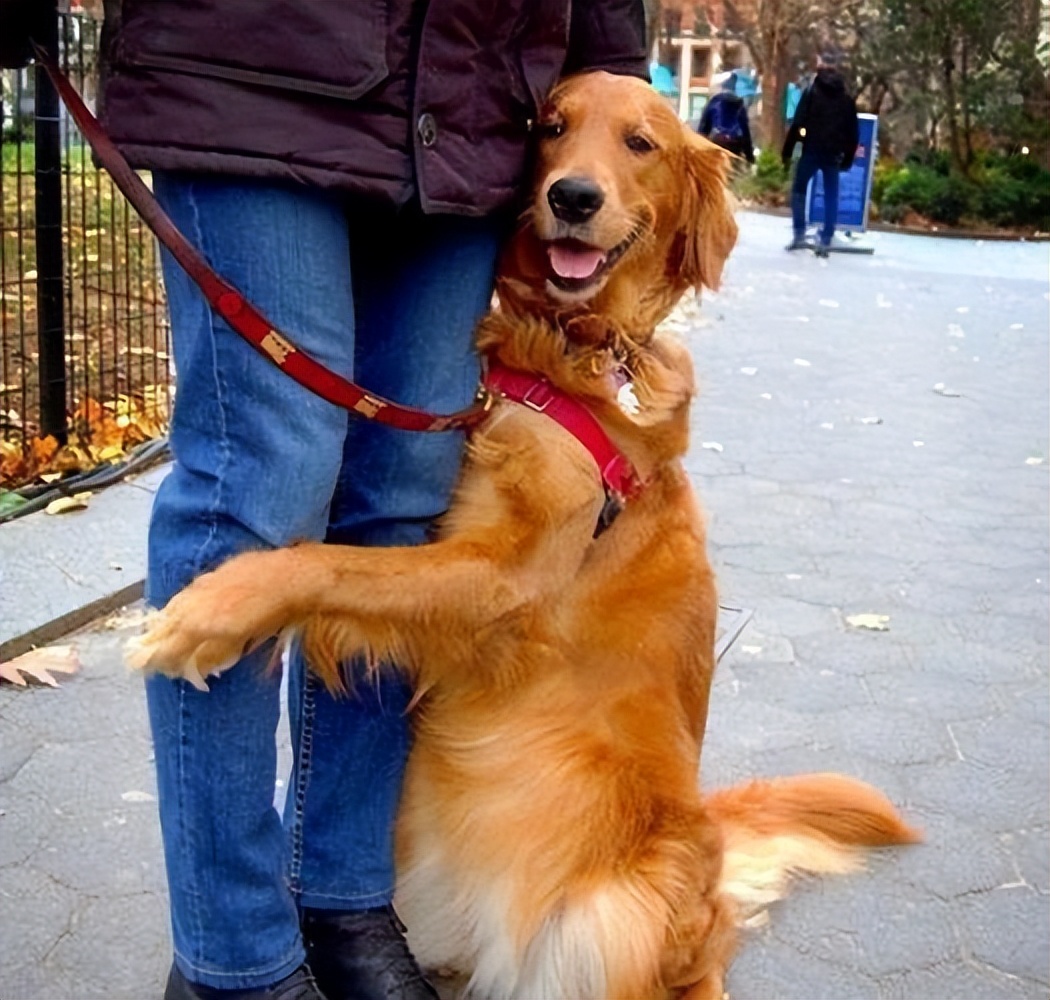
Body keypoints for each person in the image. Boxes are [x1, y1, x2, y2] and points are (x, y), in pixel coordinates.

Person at [0, 2, 648, 999]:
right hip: (258, 65)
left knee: (402, 501)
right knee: (261, 486)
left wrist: (608, 70)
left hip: (474, 106)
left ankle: (342, 897)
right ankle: (235, 957)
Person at [781, 51, 859, 257]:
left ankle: (799, 234)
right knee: (831, 195)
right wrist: (848, 159)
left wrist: (788, 152)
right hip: (833, 154)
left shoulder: (812, 92)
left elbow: (798, 123)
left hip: (811, 150)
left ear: (820, 65)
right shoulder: (846, 97)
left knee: (799, 190)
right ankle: (826, 238)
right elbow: (853, 132)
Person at [696, 71, 755, 164]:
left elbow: (703, 128)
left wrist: (700, 150)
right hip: (736, 143)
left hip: (718, 140)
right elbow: (745, 132)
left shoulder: (714, 101)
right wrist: (750, 157)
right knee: (733, 171)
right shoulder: (740, 105)